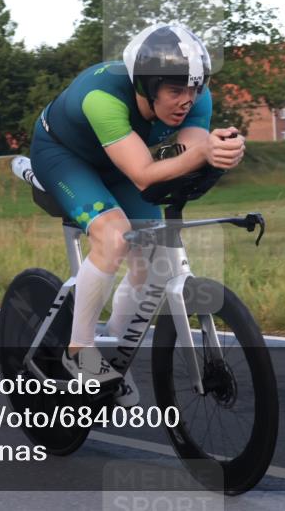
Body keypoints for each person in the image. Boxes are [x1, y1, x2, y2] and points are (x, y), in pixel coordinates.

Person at [29, 22, 246, 406]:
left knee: (151, 256)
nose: (187, 100)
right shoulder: (102, 97)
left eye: (194, 89)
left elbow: (188, 154)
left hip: (122, 158)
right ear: (146, 86)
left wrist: (219, 152)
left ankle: (114, 351)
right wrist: (200, 153)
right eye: (175, 90)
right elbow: (145, 174)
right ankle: (79, 351)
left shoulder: (198, 98)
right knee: (112, 235)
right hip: (65, 156)